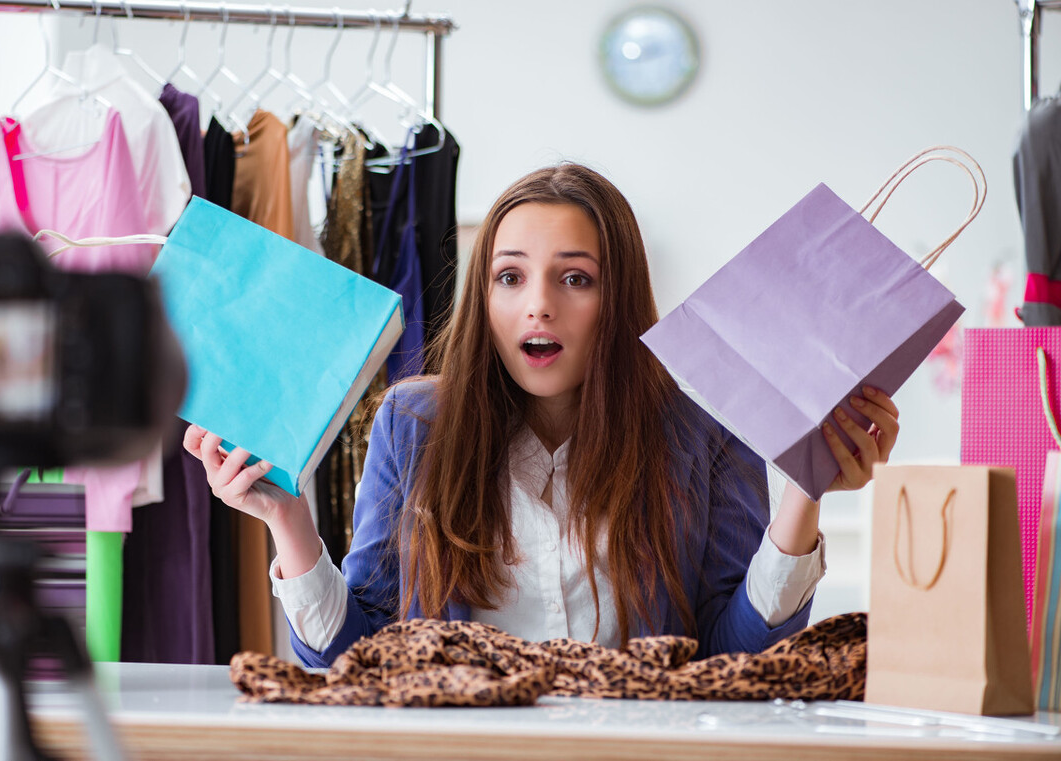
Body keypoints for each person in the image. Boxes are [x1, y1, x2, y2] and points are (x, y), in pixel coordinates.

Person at [184, 163, 900, 668]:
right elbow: (355, 657)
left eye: (575, 277)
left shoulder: (704, 429)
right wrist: (288, 518)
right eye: (510, 275)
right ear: (485, 296)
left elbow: (736, 662)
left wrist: (806, 491)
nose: (539, 303)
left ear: (617, 297)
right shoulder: (413, 424)